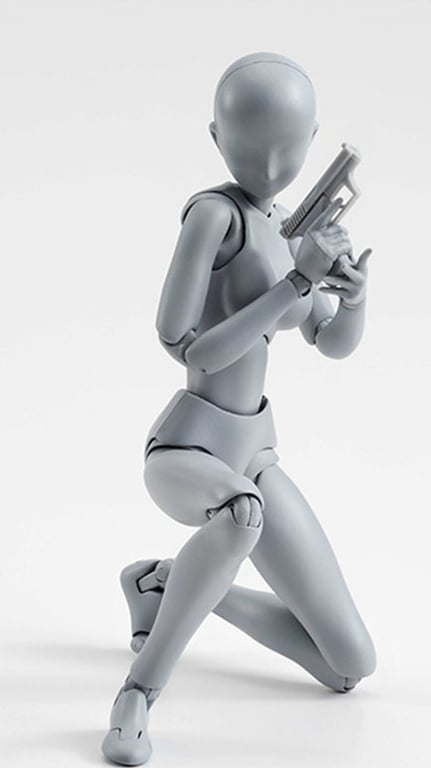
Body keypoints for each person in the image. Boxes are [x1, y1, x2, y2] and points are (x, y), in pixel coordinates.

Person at [102, 51, 376, 766]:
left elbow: (331, 341)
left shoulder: (292, 229)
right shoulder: (213, 216)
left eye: (288, 151)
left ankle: (171, 583)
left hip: (255, 451)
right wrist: (294, 284)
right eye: (251, 148)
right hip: (189, 450)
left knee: (348, 664)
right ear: (217, 138)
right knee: (240, 514)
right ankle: (137, 696)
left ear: (312, 141)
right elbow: (187, 346)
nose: (271, 166)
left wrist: (352, 296)